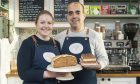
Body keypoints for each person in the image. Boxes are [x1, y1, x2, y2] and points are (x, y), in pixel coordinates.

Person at [55, 2, 109, 84]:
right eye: (70, 13)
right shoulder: (59, 37)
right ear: (67, 17)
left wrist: (97, 66)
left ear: (84, 15)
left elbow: (104, 59)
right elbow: (56, 61)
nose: (74, 16)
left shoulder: (94, 36)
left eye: (78, 12)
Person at [17, 10, 66, 84]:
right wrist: (51, 74)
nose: (46, 26)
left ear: (52, 25)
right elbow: (23, 74)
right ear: (36, 24)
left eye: (49, 23)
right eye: (42, 22)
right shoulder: (28, 43)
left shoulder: (56, 44)